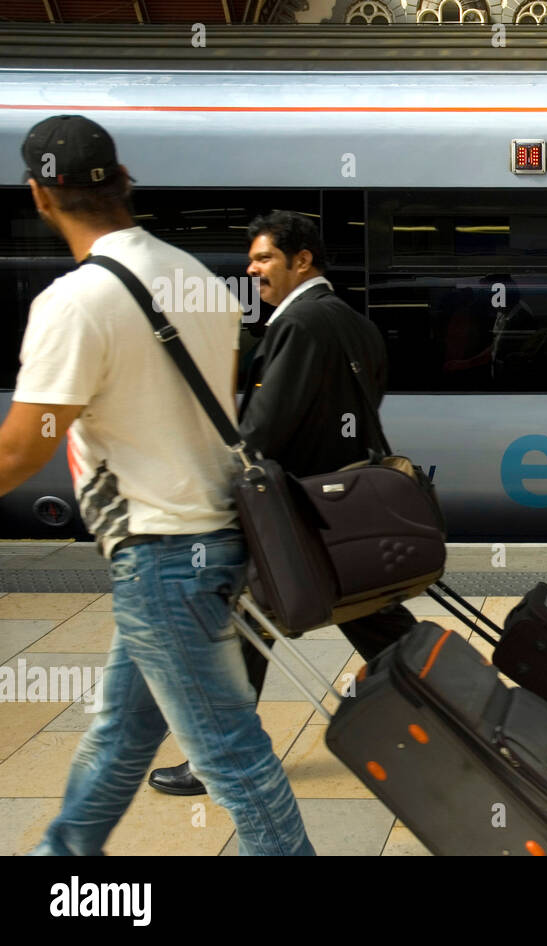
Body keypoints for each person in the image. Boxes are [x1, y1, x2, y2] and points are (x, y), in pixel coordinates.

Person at [6, 115, 313, 855]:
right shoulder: (197, 279)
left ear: (39, 196)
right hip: (212, 537)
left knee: (232, 758)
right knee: (120, 735)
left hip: (162, 552)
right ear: (123, 183)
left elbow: (23, 448)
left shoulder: (74, 302)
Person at [147, 211, 418, 797]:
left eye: (264, 257)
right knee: (377, 618)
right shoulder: (354, 322)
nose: (252, 268)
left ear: (303, 260)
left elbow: (266, 431)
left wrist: (216, 482)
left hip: (294, 513)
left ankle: (220, 762)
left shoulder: (299, 325)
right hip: (344, 508)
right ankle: (459, 702)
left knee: (250, 624)